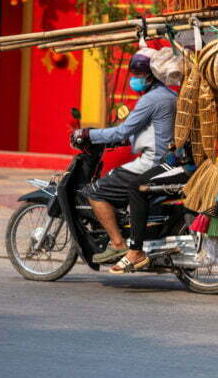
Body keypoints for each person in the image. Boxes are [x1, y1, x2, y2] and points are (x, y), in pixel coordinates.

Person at [73, 50, 183, 272]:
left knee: (95, 191)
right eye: (133, 73)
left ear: (151, 75)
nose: (135, 79)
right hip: (166, 158)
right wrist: (121, 140)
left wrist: (86, 135)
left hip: (153, 162)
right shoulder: (167, 95)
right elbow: (146, 132)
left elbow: (122, 130)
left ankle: (118, 244)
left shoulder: (152, 99)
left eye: (139, 74)